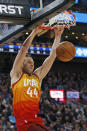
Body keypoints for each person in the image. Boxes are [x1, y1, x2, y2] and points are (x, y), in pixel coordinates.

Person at [10, 25, 64, 131]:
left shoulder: (37, 77)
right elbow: (23, 50)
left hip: (37, 122)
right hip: (26, 125)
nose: (32, 64)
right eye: (28, 62)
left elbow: (52, 56)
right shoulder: (16, 75)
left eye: (33, 63)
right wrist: (34, 32)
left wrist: (58, 36)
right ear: (21, 64)